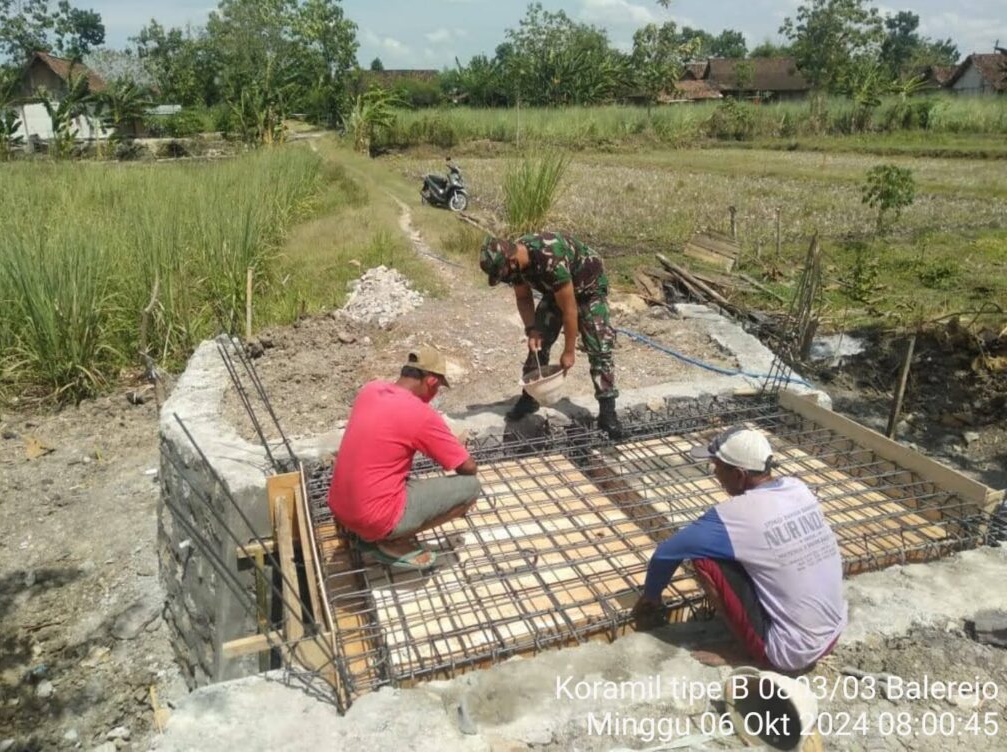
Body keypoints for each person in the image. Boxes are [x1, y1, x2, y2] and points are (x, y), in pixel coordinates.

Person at [632, 427, 846, 671]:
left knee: (704, 558)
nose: (715, 474)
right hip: (832, 633)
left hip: (789, 653)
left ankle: (745, 651)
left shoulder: (732, 517)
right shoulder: (798, 488)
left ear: (739, 475)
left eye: (718, 467)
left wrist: (651, 597)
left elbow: (666, 552)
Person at [327, 346, 480, 571]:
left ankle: (368, 531)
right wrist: (452, 447)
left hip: (340, 506)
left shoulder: (370, 389)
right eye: (438, 387)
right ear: (431, 382)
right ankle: (389, 540)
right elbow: (468, 468)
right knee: (470, 488)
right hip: (372, 518)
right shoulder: (420, 413)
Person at [478, 232, 622, 440]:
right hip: (556, 292)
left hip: (589, 289)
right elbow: (523, 297)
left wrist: (569, 351)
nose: (505, 279)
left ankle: (608, 412)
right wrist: (531, 329)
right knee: (538, 344)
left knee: (600, 348)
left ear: (511, 260)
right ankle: (530, 398)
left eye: (502, 274)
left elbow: (570, 310)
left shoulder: (550, 259)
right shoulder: (516, 266)